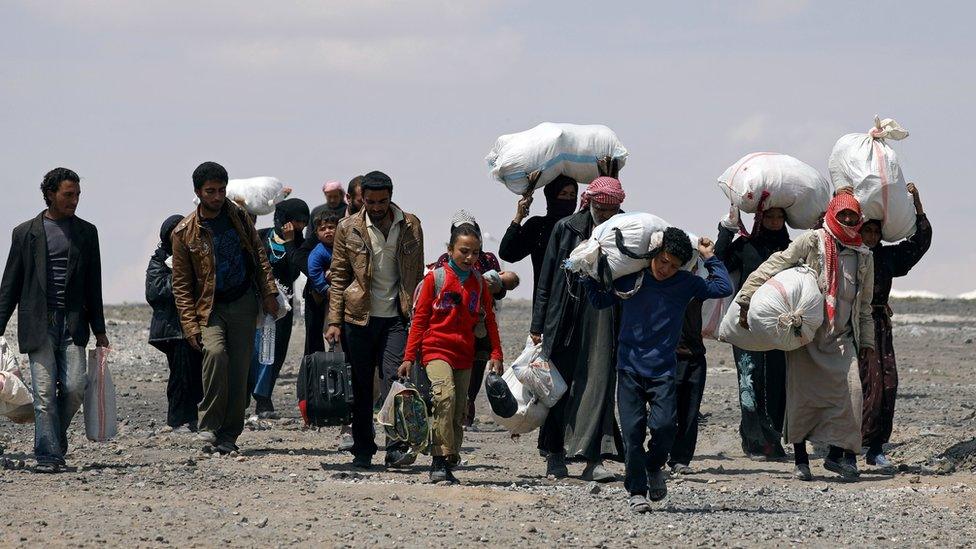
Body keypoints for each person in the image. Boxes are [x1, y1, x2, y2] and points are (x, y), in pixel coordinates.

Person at [585, 229, 733, 513]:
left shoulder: (686, 283)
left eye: (674, 265)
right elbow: (599, 300)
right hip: (628, 368)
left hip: (664, 371)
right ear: (654, 254)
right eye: (663, 261)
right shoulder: (633, 279)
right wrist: (586, 270)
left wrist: (710, 257)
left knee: (665, 428)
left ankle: (654, 467)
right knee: (632, 433)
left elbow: (722, 287)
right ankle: (637, 491)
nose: (666, 269)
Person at [736, 193, 876, 481]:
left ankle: (844, 457)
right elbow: (776, 263)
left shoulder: (864, 256)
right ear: (833, 215)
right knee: (803, 398)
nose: (848, 220)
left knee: (851, 396)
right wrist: (747, 296)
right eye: (843, 215)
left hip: (842, 337)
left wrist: (868, 343)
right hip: (807, 335)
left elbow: (864, 305)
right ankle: (801, 459)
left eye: (853, 215)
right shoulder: (813, 242)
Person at [0, 167, 110, 473]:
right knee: (45, 393)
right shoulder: (25, 233)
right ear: (50, 194)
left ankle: (53, 438)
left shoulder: (87, 233)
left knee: (75, 386)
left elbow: (93, 284)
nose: (74, 201)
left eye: (77, 195)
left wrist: (99, 329)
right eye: (68, 195)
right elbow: (10, 284)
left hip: (73, 323)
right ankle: (48, 455)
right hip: (38, 323)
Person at [171, 161, 279, 455]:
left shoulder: (240, 218)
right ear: (198, 193)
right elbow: (180, 285)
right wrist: (190, 325)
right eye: (210, 191)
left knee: (240, 369)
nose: (217, 197)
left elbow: (258, 256)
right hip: (210, 307)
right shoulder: (184, 233)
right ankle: (208, 424)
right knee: (216, 355)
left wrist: (269, 292)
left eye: (221, 190)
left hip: (242, 301)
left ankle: (230, 433)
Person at [325, 170, 424, 469]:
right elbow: (340, 275)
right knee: (361, 385)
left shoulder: (411, 225)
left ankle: (395, 447)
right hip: (359, 317)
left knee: (396, 381)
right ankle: (363, 449)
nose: (377, 207)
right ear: (361, 199)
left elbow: (416, 274)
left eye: (382, 201)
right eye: (370, 201)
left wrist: (419, 315)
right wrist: (334, 321)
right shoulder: (348, 228)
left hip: (397, 317)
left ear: (391, 197)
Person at [531, 176, 626, 482]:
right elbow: (547, 279)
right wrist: (538, 323)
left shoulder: (627, 229)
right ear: (590, 202)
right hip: (565, 317)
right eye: (601, 207)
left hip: (604, 317)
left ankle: (592, 460)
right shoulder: (566, 228)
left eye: (612, 209)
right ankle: (555, 455)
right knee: (559, 388)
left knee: (598, 386)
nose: (606, 214)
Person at [398, 223, 504, 483]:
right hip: (435, 349)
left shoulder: (478, 283)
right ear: (450, 250)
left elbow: (489, 318)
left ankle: (450, 455)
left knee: (458, 409)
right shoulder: (436, 279)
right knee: (444, 397)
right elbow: (420, 319)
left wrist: (496, 353)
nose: (470, 258)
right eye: (464, 251)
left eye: (475, 253)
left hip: (464, 353)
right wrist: (409, 357)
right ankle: (439, 460)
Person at [856, 183, 931, 472]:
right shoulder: (848, 255)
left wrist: (918, 207)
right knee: (865, 385)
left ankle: (875, 448)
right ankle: (850, 446)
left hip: (880, 327)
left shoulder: (887, 257)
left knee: (888, 384)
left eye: (876, 232)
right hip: (855, 327)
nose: (872, 236)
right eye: (867, 231)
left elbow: (919, 243)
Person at [715, 206, 792, 460]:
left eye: (779, 217)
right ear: (760, 218)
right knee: (750, 379)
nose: (774, 221)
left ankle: (773, 440)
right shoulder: (746, 246)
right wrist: (727, 229)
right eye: (769, 216)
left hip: (780, 327)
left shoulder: (791, 250)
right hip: (745, 323)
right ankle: (753, 441)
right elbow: (720, 260)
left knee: (777, 383)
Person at [429, 210, 516, 428]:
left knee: (477, 364)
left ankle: (468, 405)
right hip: (453, 327)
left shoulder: (487, 259)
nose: (470, 256)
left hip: (480, 324)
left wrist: (493, 284)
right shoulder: (444, 261)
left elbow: (499, 291)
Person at [250, 198, 309, 418]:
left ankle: (263, 398)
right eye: (296, 221)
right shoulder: (262, 236)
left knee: (276, 352)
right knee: (257, 351)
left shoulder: (300, 243)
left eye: (304, 222)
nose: (300, 226)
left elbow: (295, 271)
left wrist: (291, 242)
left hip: (283, 307)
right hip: (259, 303)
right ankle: (254, 396)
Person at [146, 214, 203, 432]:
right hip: (173, 329)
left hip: (192, 325)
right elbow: (154, 290)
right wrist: (182, 276)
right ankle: (179, 419)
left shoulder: (195, 254)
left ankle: (191, 417)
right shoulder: (160, 259)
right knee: (181, 375)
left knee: (195, 373)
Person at [499, 175, 578, 299]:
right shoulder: (538, 226)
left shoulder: (580, 227)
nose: (568, 199)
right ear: (552, 196)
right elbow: (507, 253)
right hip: (545, 301)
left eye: (572, 195)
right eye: (563, 194)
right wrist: (518, 217)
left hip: (576, 301)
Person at [666, 298, 708, 474]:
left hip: (695, 356)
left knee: (690, 414)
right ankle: (657, 455)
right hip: (668, 357)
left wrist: (711, 267)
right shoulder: (662, 285)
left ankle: (680, 459)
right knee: (665, 414)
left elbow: (724, 288)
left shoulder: (696, 286)